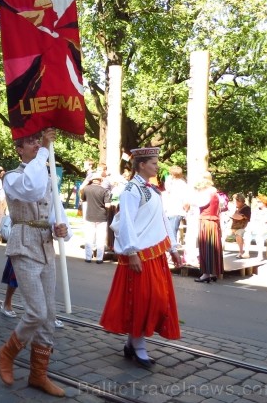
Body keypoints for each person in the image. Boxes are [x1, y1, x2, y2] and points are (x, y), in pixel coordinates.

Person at [0, 128, 70, 397]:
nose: (37, 144)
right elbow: (31, 189)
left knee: (49, 316)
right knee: (36, 311)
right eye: (31, 141)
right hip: (24, 244)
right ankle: (8, 351)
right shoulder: (12, 177)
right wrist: (42, 155)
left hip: (46, 245)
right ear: (18, 149)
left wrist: (62, 228)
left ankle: (38, 374)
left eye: (38, 140)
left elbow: (54, 209)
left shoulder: (46, 173)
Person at [100, 147, 182, 368]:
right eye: (154, 163)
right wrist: (132, 251)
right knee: (142, 300)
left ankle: (132, 343)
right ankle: (138, 346)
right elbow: (125, 221)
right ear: (142, 165)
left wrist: (173, 247)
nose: (157, 166)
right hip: (140, 254)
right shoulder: (131, 190)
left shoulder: (153, 190)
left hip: (154, 253)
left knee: (153, 300)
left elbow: (162, 219)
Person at [193, 172, 222, 282]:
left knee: (206, 246)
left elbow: (198, 203)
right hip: (214, 221)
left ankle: (206, 273)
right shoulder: (215, 193)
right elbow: (221, 206)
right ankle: (214, 271)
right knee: (213, 247)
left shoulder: (206, 193)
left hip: (206, 221)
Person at [80, 174, 110, 264]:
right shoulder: (105, 191)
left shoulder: (86, 189)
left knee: (89, 237)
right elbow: (107, 205)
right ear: (100, 181)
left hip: (89, 215)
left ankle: (88, 257)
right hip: (102, 217)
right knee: (100, 238)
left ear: (92, 180)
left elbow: (83, 199)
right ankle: (99, 258)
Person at [163, 166, 190, 242]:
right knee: (170, 231)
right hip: (171, 210)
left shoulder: (181, 184)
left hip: (175, 210)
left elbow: (185, 200)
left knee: (171, 231)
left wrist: (185, 209)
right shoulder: (171, 182)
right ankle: (170, 249)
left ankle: (172, 250)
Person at [230, 193, 252, 259]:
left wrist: (231, 214)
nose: (235, 203)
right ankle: (241, 251)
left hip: (245, 227)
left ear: (239, 201)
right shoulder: (237, 208)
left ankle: (242, 252)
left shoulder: (246, 208)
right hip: (238, 228)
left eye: (236, 201)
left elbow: (239, 217)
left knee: (239, 234)